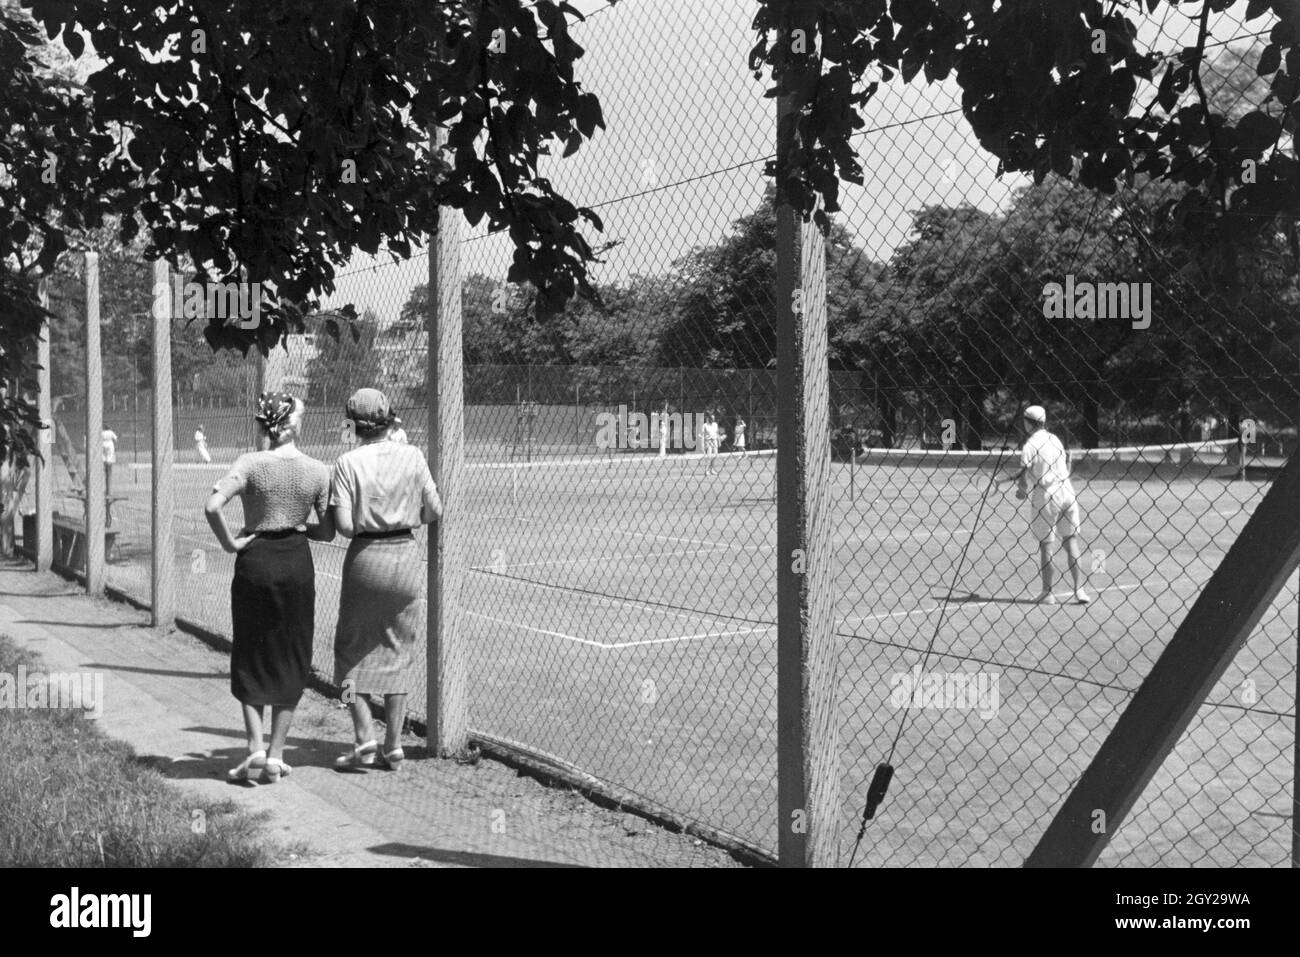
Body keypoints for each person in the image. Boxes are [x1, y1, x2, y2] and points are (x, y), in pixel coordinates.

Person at [204, 392, 334, 783]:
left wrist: (231, 542)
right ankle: (276, 755)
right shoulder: (317, 470)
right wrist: (296, 525)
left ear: (264, 424)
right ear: (293, 424)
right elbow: (327, 531)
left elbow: (212, 507)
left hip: (255, 560)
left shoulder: (249, 463)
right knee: (291, 653)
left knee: (250, 649)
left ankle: (255, 747)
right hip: (295, 562)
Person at [331, 388, 442, 771]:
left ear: (353, 423)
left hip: (366, 558)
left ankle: (364, 737)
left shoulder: (347, 462)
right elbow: (434, 508)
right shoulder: (412, 456)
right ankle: (394, 745)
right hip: (406, 556)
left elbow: (344, 526)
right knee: (399, 652)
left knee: (348, 654)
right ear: (388, 419)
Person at [1011, 405, 1089, 605]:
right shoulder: (1055, 440)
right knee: (1071, 542)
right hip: (1067, 492)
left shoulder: (1029, 446)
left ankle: (1048, 593)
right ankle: (1079, 590)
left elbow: (1022, 479)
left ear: (1028, 422)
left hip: (1046, 496)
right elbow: (1066, 468)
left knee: (1046, 545)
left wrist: (1021, 491)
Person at [101, 428, 118, 495]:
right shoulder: (111, 432)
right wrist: (116, 445)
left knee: (104, 455)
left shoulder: (102, 432)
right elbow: (115, 438)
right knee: (110, 455)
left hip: (103, 443)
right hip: (109, 443)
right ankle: (108, 462)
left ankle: (105, 462)